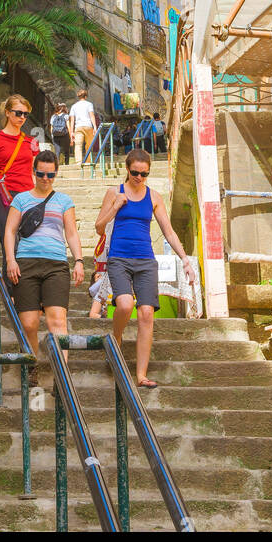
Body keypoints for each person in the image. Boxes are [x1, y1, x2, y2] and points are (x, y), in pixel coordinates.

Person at [95, 148, 188, 389]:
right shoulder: (114, 192)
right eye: (135, 172)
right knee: (125, 304)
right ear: (127, 169)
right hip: (119, 259)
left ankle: (141, 375)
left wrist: (184, 258)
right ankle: (114, 340)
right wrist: (115, 206)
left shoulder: (154, 196)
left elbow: (168, 231)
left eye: (144, 174)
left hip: (146, 261)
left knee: (147, 313)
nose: (139, 178)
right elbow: (99, 227)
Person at [5, 150, 84, 383]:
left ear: (56, 173)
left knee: (56, 320)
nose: (45, 179)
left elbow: (71, 233)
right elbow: (10, 231)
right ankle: (32, 364)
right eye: (41, 173)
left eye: (50, 175)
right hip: (26, 263)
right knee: (28, 322)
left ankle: (62, 374)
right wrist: (11, 259)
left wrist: (78, 260)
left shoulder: (63, 201)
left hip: (56, 264)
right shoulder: (21, 199)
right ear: (33, 171)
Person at [0, 95, 40, 277]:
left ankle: (21, 285)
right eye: (18, 113)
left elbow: (35, 171)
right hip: (3, 194)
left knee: (26, 239)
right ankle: (9, 289)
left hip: (26, 194)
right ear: (7, 113)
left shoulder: (31, 141)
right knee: (8, 236)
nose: (22, 117)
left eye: (26, 114)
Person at [68, 88, 98, 167]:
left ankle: (78, 162)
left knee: (78, 145)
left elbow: (72, 120)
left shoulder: (74, 106)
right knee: (89, 145)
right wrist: (95, 127)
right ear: (86, 96)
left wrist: (71, 132)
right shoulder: (89, 104)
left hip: (78, 127)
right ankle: (88, 162)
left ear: (79, 96)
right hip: (88, 126)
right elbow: (92, 115)